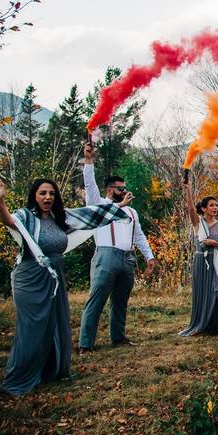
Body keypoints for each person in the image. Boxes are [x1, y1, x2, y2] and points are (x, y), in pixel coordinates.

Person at [0, 175, 131, 395]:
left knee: (54, 323)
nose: (48, 197)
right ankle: (22, 374)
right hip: (31, 277)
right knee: (33, 326)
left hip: (55, 277)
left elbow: (90, 215)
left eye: (52, 193)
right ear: (34, 196)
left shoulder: (60, 217)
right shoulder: (27, 217)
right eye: (43, 193)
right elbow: (9, 221)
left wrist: (118, 206)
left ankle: (50, 370)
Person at [78, 142, 156, 353]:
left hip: (127, 258)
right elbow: (89, 186)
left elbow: (139, 235)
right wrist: (89, 161)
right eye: (120, 188)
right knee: (97, 298)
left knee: (121, 300)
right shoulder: (98, 205)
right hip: (105, 256)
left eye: (124, 187)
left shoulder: (131, 212)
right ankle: (85, 343)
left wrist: (149, 257)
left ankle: (118, 337)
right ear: (110, 190)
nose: (124, 191)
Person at [179, 181, 218, 337]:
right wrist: (188, 190)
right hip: (201, 262)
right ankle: (202, 325)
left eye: (216, 205)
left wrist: (217, 245)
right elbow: (190, 208)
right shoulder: (198, 224)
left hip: (216, 262)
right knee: (203, 293)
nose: (215, 208)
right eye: (211, 205)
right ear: (203, 209)